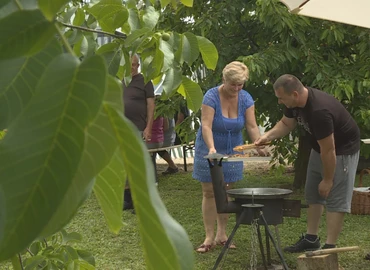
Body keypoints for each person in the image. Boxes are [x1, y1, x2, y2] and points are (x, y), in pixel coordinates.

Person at [255, 74, 360, 253]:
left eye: (281, 98)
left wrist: (328, 179)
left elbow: (330, 150)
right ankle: (311, 239)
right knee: (313, 194)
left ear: (294, 94)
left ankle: (329, 247)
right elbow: (286, 124)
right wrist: (267, 136)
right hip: (319, 149)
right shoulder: (295, 104)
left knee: (335, 199)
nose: (280, 102)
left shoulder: (319, 111)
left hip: (341, 152)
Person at [192, 61, 263, 253]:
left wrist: (258, 144)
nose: (237, 88)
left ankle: (222, 234)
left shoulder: (246, 98)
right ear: (224, 79)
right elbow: (206, 125)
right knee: (209, 191)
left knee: (226, 190)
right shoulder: (211, 96)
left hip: (233, 148)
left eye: (240, 85)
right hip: (209, 146)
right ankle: (208, 236)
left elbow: (251, 125)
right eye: (233, 84)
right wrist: (212, 148)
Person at [123, 54, 155, 210]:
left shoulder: (145, 80)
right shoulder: (119, 80)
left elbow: (151, 105)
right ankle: (128, 198)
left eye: (135, 65)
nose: (132, 67)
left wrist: (148, 127)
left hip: (138, 128)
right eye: (130, 64)